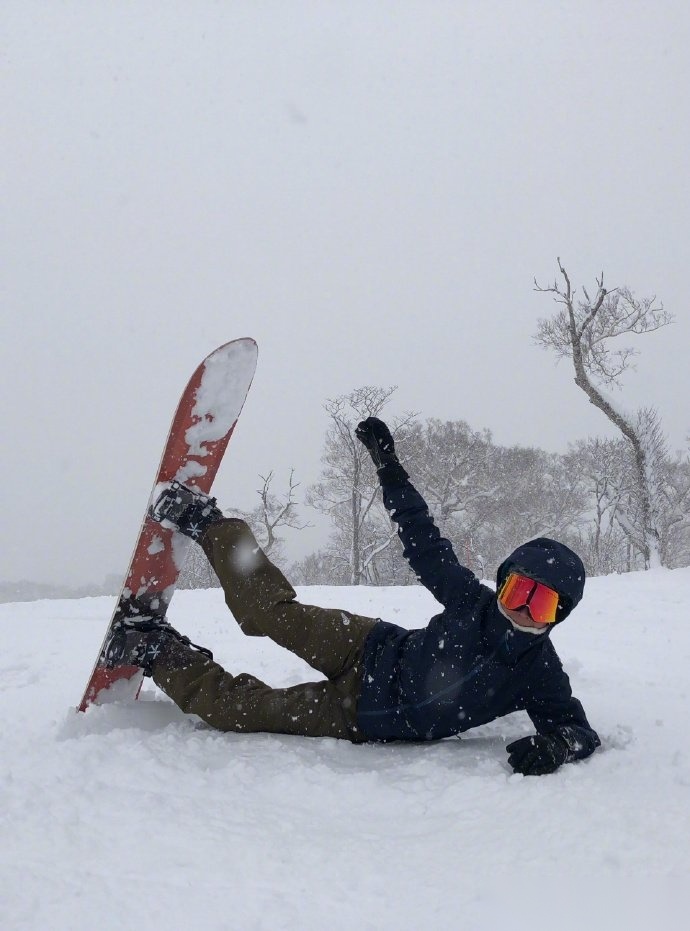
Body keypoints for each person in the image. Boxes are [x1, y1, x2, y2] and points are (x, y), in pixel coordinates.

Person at [108, 417, 600, 776]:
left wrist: (559, 745)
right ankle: (210, 524)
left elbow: (579, 730)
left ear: (560, 616)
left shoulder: (540, 672)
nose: (521, 610)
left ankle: (161, 651)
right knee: (267, 613)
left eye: (541, 604)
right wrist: (391, 471)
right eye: (518, 591)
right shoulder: (470, 599)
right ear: (504, 581)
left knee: (234, 712)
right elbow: (424, 540)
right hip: (365, 646)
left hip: (355, 715)